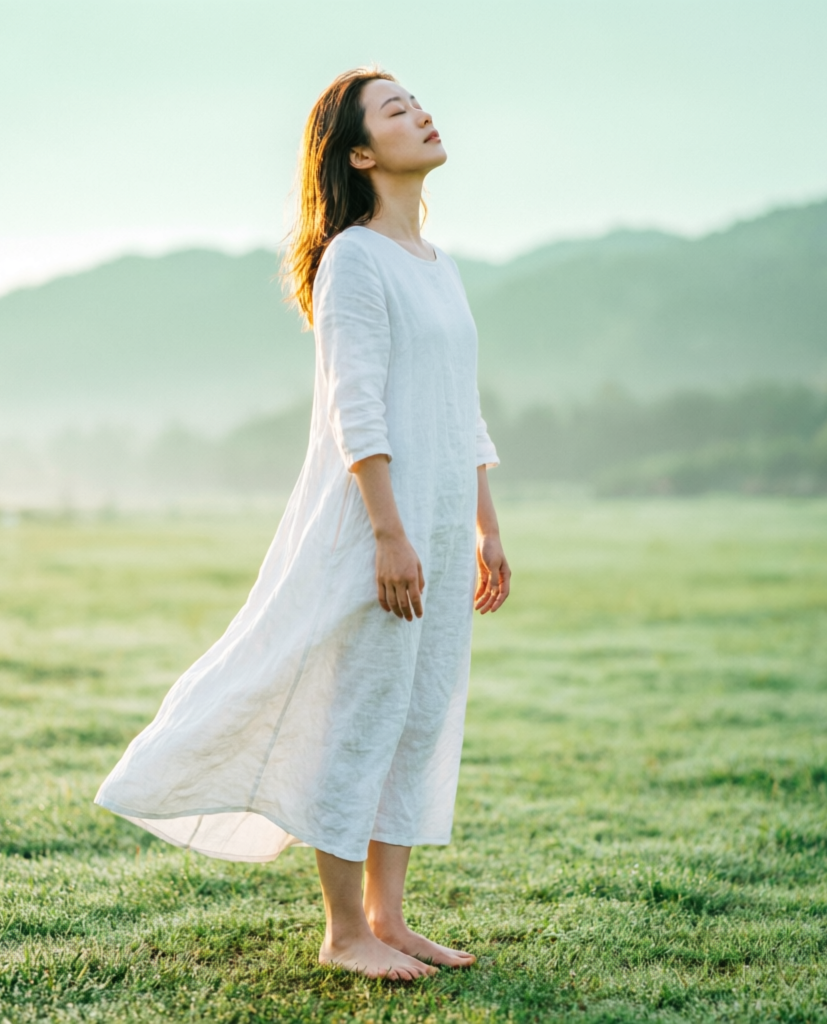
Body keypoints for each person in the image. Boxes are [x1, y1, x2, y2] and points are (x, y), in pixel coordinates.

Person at [95, 67, 511, 982]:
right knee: (361, 713)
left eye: (418, 100)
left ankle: (389, 919)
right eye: (397, 110)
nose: (423, 112)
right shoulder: (354, 258)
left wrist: (484, 524)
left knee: (416, 715)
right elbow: (354, 411)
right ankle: (344, 932)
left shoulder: (437, 265)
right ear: (361, 154)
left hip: (438, 525)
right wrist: (390, 535)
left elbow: (460, 408)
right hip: (379, 526)